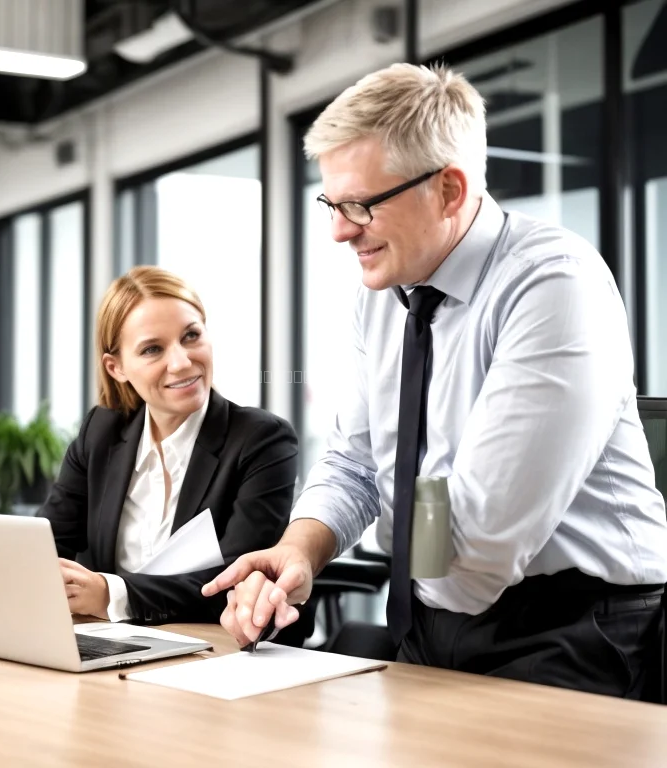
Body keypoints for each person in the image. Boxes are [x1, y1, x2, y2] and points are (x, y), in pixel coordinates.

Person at [202, 63, 667, 700]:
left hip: (575, 631)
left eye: (360, 204)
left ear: (449, 190)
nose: (338, 230)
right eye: (331, 203)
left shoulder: (555, 286)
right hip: (431, 616)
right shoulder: (384, 294)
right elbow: (356, 459)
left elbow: (479, 540)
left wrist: (393, 516)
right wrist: (301, 550)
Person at [38, 265, 298, 627]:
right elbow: (45, 547)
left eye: (191, 336)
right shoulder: (101, 432)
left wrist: (111, 594)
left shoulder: (262, 440)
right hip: (110, 648)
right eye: (152, 349)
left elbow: (237, 582)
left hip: (211, 653)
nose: (180, 362)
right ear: (117, 368)